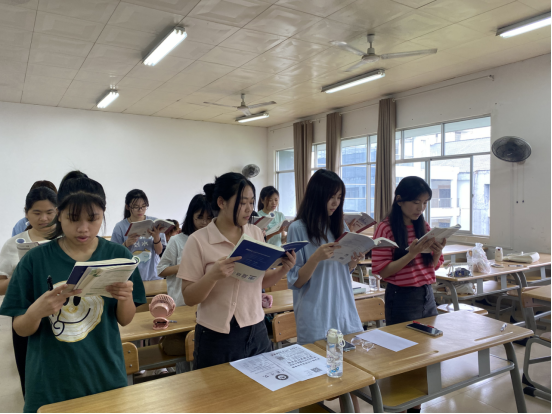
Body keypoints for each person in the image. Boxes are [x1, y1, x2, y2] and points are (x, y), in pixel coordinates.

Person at [0, 172, 146, 413]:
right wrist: (37, 311)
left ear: (103, 214)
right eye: (73, 218)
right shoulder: (35, 260)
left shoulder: (118, 256)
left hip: (104, 376)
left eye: (93, 218)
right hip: (51, 382)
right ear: (59, 214)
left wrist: (125, 297)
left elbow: (125, 319)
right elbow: (21, 329)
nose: (83, 228)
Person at [177, 173, 296, 370]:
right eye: (242, 203)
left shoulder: (255, 233)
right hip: (216, 336)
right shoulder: (198, 240)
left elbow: (259, 281)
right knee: (218, 389)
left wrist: (284, 269)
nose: (249, 209)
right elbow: (189, 297)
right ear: (221, 202)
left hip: (256, 329)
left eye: (251, 202)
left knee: (261, 387)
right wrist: (213, 276)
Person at [287, 169, 365, 346]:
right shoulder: (297, 228)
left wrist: (354, 260)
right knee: (319, 359)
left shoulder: (340, 225)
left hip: (343, 307)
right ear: (317, 196)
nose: (336, 203)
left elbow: (343, 269)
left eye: (339, 197)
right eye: (331, 197)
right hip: (316, 313)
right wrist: (316, 258)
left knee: (350, 358)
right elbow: (296, 281)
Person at [0, 186, 58, 397]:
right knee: (30, 372)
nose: (44, 218)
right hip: (25, 316)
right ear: (26, 213)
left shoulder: (66, 241)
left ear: (58, 211)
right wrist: (22, 274)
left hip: (63, 315)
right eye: (37, 212)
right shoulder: (14, 244)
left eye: (49, 212)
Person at [371, 176, 445, 326]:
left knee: (430, 338)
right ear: (399, 200)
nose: (420, 208)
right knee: (403, 340)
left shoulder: (424, 226)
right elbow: (383, 271)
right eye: (416, 202)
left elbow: (431, 267)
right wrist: (411, 254)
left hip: (427, 293)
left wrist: (437, 253)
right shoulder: (385, 228)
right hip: (401, 296)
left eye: (425, 203)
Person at [157, 195, 214, 307]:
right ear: (191, 216)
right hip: (181, 303)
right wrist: (183, 267)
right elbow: (161, 270)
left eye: (209, 218)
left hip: (207, 304)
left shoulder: (214, 240)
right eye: (200, 217)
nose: (204, 222)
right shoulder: (177, 240)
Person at [111, 189, 166, 281]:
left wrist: (156, 237)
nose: (140, 210)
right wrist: (126, 244)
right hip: (130, 277)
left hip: (153, 276)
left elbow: (159, 252)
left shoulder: (155, 223)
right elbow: (114, 254)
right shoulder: (120, 227)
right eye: (136, 207)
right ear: (127, 207)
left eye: (143, 206)